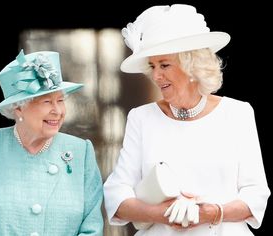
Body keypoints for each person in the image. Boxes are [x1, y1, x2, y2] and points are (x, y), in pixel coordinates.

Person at [103, 4, 270, 236]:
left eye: (164, 65)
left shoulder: (238, 113)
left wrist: (211, 213)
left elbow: (255, 193)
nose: (155, 75)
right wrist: (163, 215)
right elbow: (117, 195)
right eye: (152, 66)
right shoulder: (141, 118)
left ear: (192, 66)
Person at [0, 49, 104, 235]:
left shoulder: (81, 152)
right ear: (18, 108)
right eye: (47, 102)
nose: (58, 111)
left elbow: (92, 229)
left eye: (60, 100)